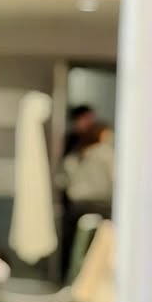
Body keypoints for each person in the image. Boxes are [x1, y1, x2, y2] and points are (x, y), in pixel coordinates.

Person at [57, 116, 114, 275]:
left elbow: (64, 178)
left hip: (77, 205)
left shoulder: (77, 154)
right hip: (100, 205)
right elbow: (114, 178)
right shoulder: (106, 154)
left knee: (75, 245)